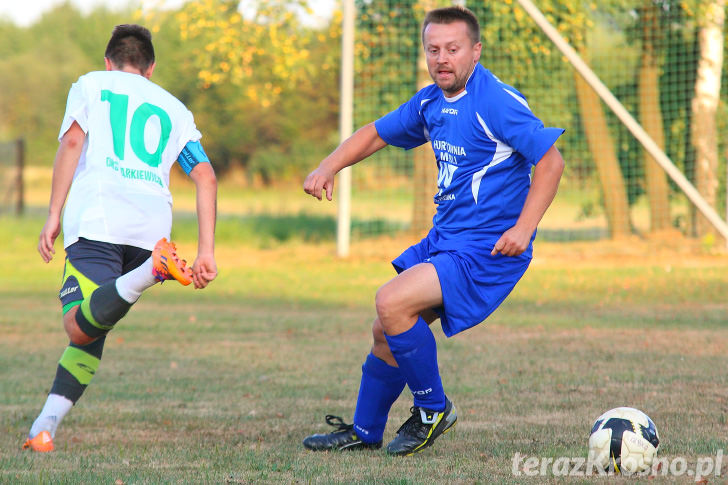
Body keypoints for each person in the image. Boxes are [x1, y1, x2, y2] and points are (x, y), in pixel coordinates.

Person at [301, 6, 565, 456]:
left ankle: (433, 409)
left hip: (487, 247)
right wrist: (329, 165)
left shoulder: (495, 101)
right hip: (446, 240)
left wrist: (525, 227)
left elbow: (551, 161)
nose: (442, 58)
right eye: (434, 49)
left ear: (475, 51)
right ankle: (365, 431)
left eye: (453, 49)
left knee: (391, 301)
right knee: (386, 328)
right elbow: (376, 133)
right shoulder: (431, 102)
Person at [22, 24, 218, 452]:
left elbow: (73, 141)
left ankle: (150, 272)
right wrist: (206, 251)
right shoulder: (174, 107)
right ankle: (43, 427)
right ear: (150, 69)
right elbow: (204, 174)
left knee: (76, 325)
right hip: (151, 229)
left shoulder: (92, 84)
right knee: (96, 327)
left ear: (108, 62)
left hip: (99, 219)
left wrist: (53, 213)